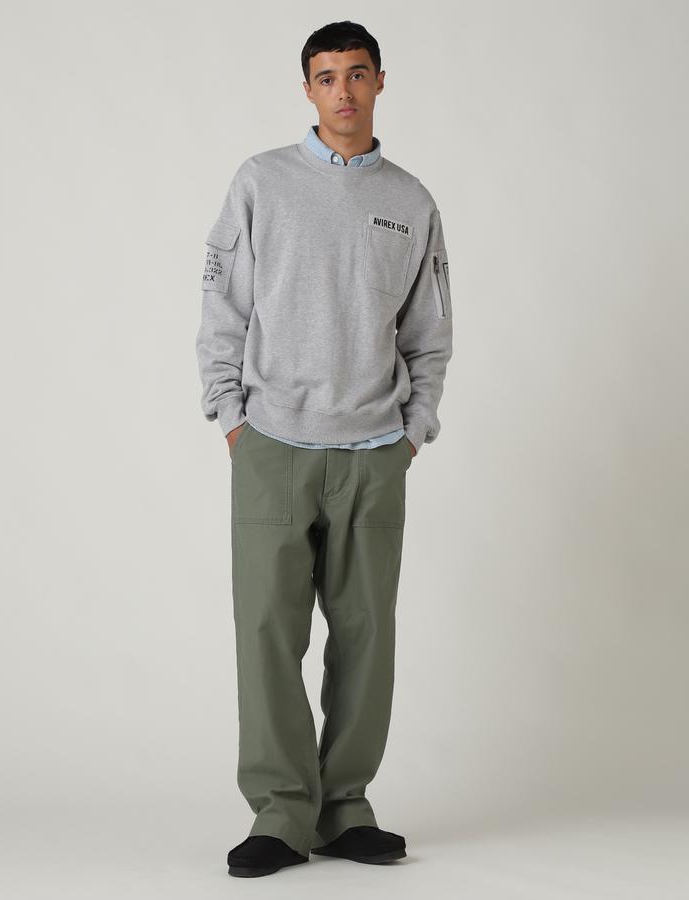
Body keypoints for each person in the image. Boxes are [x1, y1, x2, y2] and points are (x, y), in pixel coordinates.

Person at [195, 20, 454, 878]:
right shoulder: (261, 182)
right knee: (268, 631)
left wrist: (411, 433)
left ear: (380, 81)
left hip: (374, 451)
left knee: (366, 635)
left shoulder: (411, 202)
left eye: (357, 73)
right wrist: (230, 417)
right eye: (326, 76)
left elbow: (430, 334)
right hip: (271, 443)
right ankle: (280, 811)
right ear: (307, 89)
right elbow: (223, 307)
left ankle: (344, 808)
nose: (343, 90)